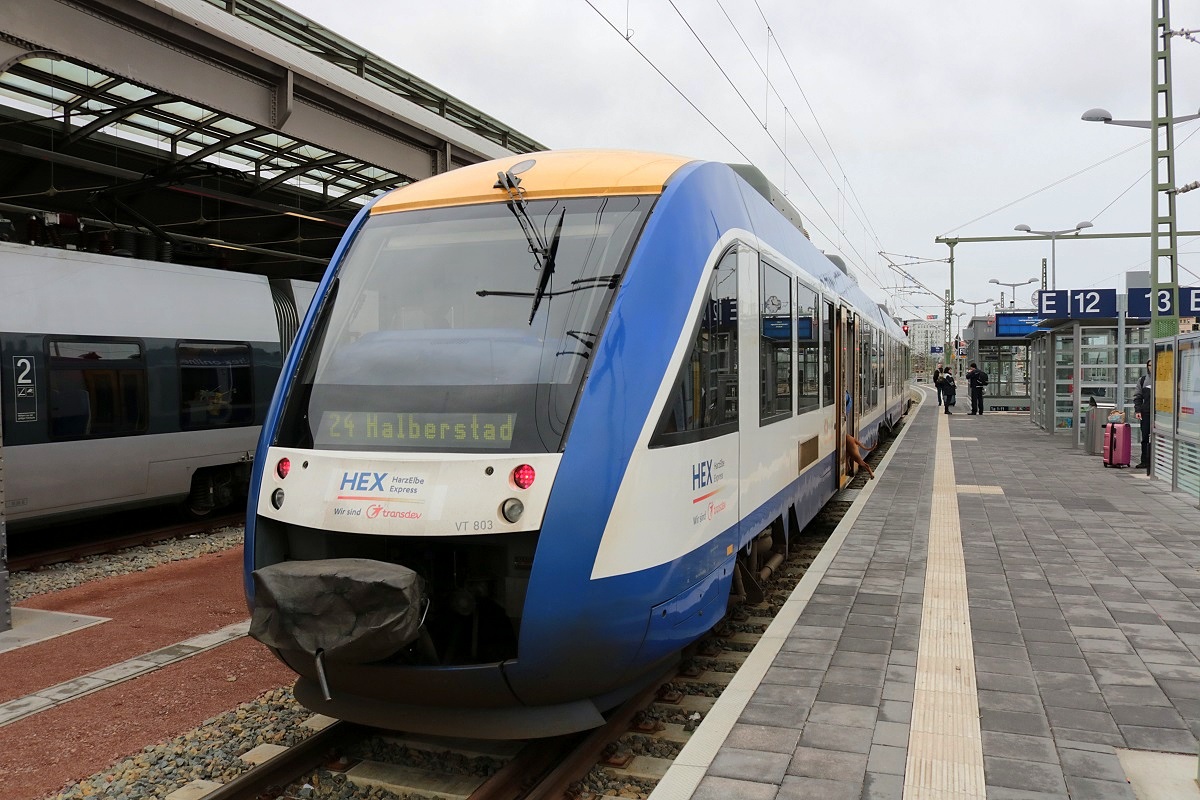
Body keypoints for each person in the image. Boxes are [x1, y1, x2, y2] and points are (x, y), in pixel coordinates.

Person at [1134, 359, 1153, 470]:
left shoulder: (1166, 379)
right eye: (1150, 365)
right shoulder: (1143, 380)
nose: (1152, 367)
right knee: (1145, 437)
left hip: (1162, 414)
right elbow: (1138, 396)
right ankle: (1144, 461)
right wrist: (1138, 411)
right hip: (1146, 413)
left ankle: (1158, 462)